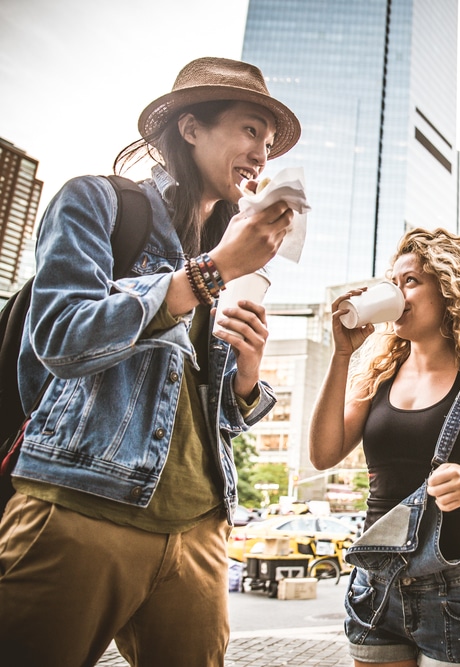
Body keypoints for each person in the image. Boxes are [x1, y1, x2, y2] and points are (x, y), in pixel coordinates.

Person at [0, 57, 300, 665]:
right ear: (190, 128)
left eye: (268, 144)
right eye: (248, 131)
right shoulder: (100, 203)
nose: (260, 156)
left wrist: (245, 376)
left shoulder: (225, 258)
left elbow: (203, 415)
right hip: (81, 505)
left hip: (198, 525)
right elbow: (59, 336)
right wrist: (206, 275)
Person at [309, 228, 460, 666]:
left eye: (411, 281)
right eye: (393, 283)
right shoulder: (377, 377)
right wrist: (342, 355)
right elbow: (322, 455)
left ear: (451, 290)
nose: (398, 293)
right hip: (376, 585)